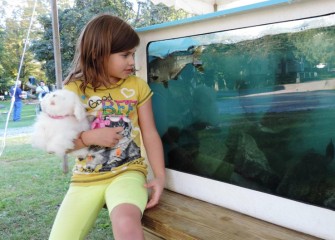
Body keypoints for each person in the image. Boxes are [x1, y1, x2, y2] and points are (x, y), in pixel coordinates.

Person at [49, 14, 165, 240]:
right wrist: (90, 136)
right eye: (125, 55)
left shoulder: (137, 86)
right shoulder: (72, 90)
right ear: (98, 54)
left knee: (126, 223)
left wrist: (159, 177)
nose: (132, 61)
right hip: (84, 180)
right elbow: (58, 144)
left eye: (132, 54)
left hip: (128, 173)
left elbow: (150, 133)